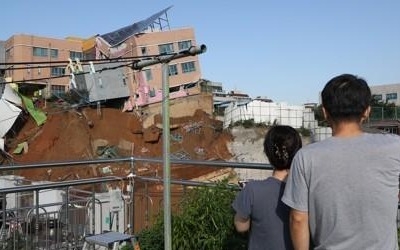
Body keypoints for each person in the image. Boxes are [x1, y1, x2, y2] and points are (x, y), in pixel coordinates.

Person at [282, 73, 400, 250]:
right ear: (367, 111)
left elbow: (298, 219)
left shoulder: (306, 157)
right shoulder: (395, 146)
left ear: (324, 112)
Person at [232, 125, 302, 250]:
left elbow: (241, 227)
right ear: (298, 152)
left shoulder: (253, 189)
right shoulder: (304, 190)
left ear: (267, 153)